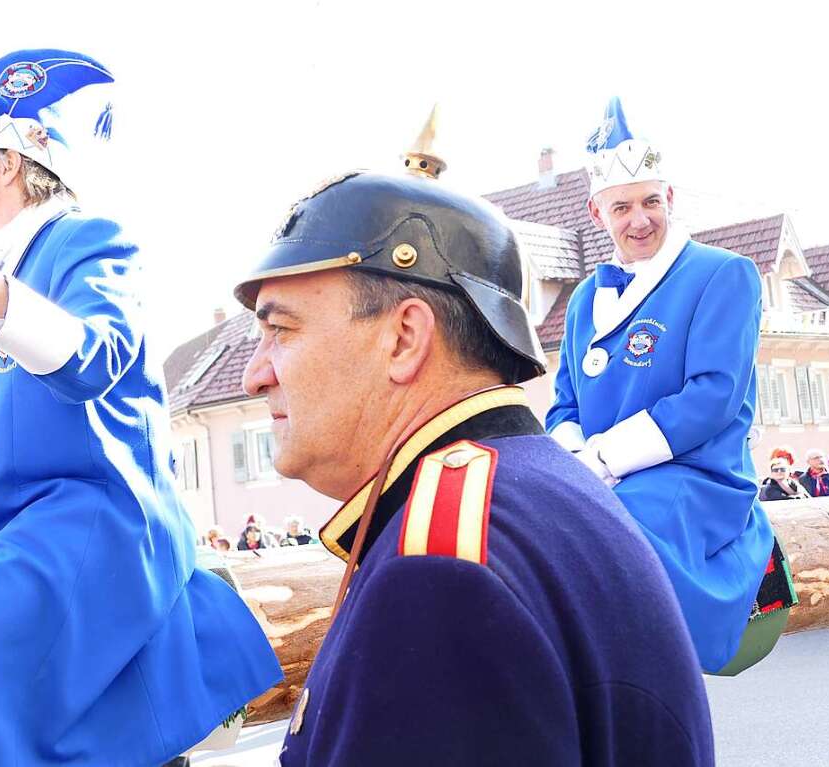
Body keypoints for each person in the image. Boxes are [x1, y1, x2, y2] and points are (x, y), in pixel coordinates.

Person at [0, 49, 280, 767]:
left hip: (101, 520)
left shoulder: (87, 241)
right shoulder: (7, 272)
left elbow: (93, 356)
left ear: (10, 164)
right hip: (33, 535)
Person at [233, 139, 713, 764]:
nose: (255, 374)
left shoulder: (438, 569)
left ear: (404, 337)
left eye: (281, 329)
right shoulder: (540, 491)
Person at [545, 98, 781, 675]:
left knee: (607, 537)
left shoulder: (722, 273)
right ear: (597, 213)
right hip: (601, 475)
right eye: (622, 206)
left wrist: (603, 459)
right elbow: (563, 406)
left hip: (697, 476)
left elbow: (713, 395)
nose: (640, 218)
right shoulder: (580, 302)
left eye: (651, 201)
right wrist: (579, 460)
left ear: (670, 200)